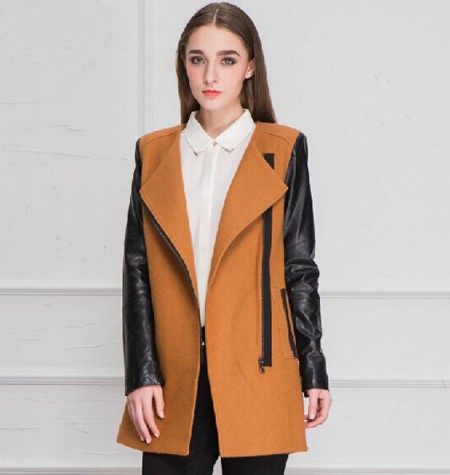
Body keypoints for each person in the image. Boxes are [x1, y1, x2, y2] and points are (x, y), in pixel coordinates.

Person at [116, 2, 332, 474]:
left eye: (227, 59)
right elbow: (138, 271)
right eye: (197, 59)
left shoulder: (283, 149)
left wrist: (313, 367)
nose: (210, 75)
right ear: (184, 65)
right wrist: (141, 374)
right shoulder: (154, 154)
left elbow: (299, 266)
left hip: (258, 370)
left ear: (250, 66)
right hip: (174, 378)